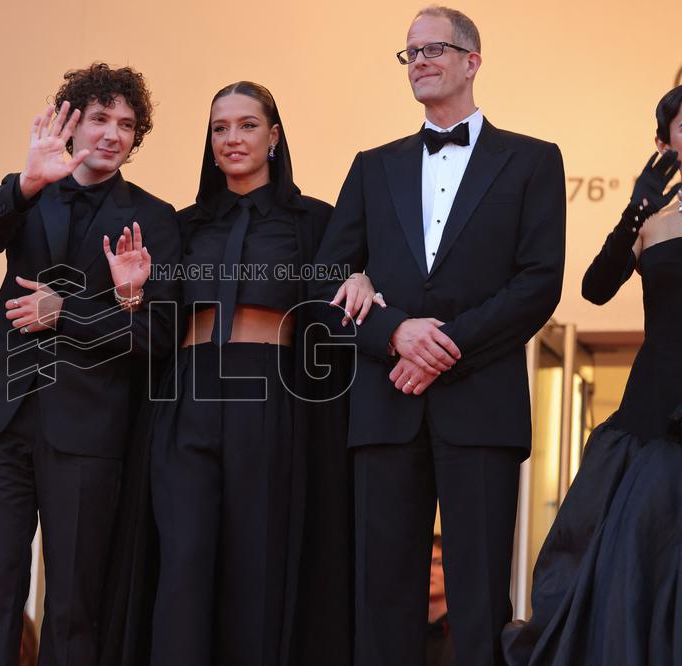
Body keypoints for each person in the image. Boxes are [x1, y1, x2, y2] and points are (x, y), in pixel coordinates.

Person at [313, 6, 566, 664]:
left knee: (480, 601)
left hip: (481, 405)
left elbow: (538, 283)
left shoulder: (534, 161)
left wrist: (441, 347)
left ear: (472, 61)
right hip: (384, 406)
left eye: (434, 49)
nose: (419, 61)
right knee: (382, 596)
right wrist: (395, 333)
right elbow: (324, 281)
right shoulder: (372, 166)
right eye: (410, 53)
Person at [103, 81, 367, 666]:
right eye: (220, 128)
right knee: (183, 563)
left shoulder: (317, 222)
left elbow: (340, 291)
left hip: (272, 397)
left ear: (274, 136)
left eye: (247, 125)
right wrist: (129, 295)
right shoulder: (182, 225)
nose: (232, 138)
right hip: (186, 397)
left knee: (258, 564)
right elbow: (157, 323)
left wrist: (363, 278)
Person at [0, 63, 181, 666]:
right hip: (0, 419)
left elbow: (156, 335)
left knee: (75, 604)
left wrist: (68, 312)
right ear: (72, 124)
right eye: (100, 119)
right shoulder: (32, 188)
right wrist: (26, 183)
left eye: (127, 125)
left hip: (88, 429)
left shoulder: (156, 218)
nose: (113, 134)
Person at [502, 86, 682, 666]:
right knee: (636, 551)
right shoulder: (653, 223)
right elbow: (596, 289)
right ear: (663, 143)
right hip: (655, 408)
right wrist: (636, 211)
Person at [427, 534, 455, 666]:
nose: (429, 571)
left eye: (437, 563)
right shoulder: (401, 632)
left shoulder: (465, 632)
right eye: (425, 563)